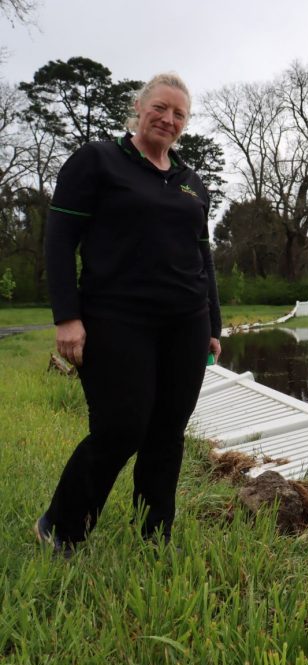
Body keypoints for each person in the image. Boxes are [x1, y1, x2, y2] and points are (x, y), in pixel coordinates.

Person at [36, 73, 221, 556]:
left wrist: (214, 327)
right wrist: (66, 316)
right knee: (122, 427)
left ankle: (154, 536)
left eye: (179, 114)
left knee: (167, 432)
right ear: (138, 107)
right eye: (160, 107)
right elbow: (59, 242)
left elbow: (203, 258)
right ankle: (61, 526)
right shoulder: (97, 161)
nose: (168, 119)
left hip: (186, 322)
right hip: (116, 318)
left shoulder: (190, 182)